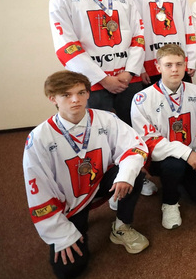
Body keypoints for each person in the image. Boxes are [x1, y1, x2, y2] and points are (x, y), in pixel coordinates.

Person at [23, 71, 149, 278]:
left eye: (81, 92)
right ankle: (76, 224)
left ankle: (122, 226)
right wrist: (61, 234)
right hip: (70, 201)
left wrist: (125, 175)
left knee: (134, 173)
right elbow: (39, 190)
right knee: (69, 270)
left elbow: (134, 147)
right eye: (66, 95)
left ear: (88, 94)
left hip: (100, 182)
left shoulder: (106, 119)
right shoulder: (38, 139)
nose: (75, 100)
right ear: (52, 98)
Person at [49, 0, 145, 126]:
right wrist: (103, 79)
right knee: (97, 134)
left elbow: (138, 37)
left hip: (128, 81)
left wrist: (129, 72)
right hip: (91, 85)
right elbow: (67, 47)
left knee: (135, 131)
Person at [130, 45, 196, 230]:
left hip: (192, 154)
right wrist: (187, 154)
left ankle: (180, 178)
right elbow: (150, 141)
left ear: (185, 66)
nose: (174, 69)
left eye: (179, 64)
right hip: (162, 159)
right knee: (174, 165)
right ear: (158, 67)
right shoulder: (142, 99)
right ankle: (170, 202)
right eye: (168, 65)